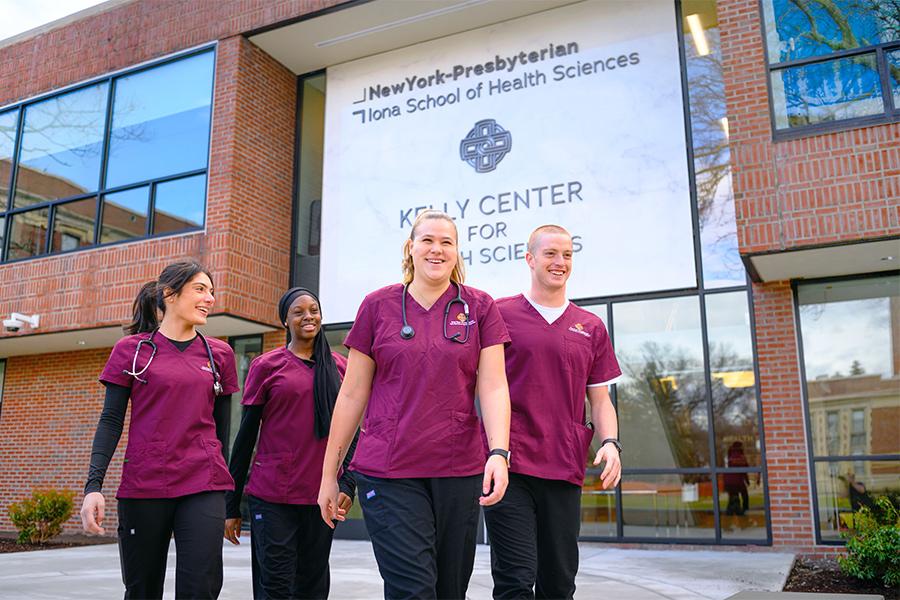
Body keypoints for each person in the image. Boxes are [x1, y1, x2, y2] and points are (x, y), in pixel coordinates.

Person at [317, 209, 512, 600]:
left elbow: (492, 387)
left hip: (458, 468)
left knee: (449, 590)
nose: (436, 250)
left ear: (457, 253)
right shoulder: (377, 306)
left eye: (446, 242)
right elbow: (352, 394)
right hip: (389, 471)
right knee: (413, 590)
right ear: (410, 248)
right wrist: (328, 473)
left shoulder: (479, 307)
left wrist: (499, 452)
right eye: (427, 240)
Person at [80, 260, 239, 599]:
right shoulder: (132, 350)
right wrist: (93, 486)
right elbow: (110, 421)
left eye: (212, 291)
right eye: (200, 289)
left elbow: (220, 431)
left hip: (203, 482)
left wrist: (229, 497)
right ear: (170, 293)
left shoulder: (219, 355)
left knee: (201, 588)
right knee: (142, 588)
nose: (210, 298)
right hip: (145, 483)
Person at [484, 224, 622, 600]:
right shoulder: (499, 314)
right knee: (514, 579)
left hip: (563, 466)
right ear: (529, 259)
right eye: (550, 254)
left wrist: (610, 442)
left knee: (559, 583)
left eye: (567, 255)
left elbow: (600, 400)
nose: (559, 262)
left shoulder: (590, 327)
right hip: (510, 466)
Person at [224, 287, 357, 600]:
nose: (308, 316)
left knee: (313, 585)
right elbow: (245, 438)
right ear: (285, 320)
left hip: (322, 497)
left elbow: (353, 433)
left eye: (313, 310)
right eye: (298, 312)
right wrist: (231, 504)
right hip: (273, 495)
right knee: (276, 586)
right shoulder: (266, 367)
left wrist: (347, 485)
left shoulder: (340, 368)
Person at [724, 441, 750, 516]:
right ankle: (743, 510)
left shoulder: (729, 456)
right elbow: (745, 469)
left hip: (729, 481)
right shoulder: (741, 457)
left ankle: (730, 512)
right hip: (738, 480)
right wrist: (747, 481)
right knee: (744, 495)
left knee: (732, 497)